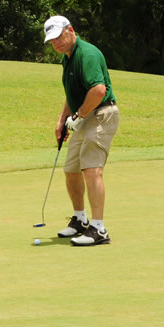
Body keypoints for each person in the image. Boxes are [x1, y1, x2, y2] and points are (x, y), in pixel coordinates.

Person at [44, 15, 119, 246]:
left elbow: (98, 90)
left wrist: (79, 117)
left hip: (101, 114)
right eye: (51, 41)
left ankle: (99, 229)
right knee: (71, 169)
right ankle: (80, 220)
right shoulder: (68, 58)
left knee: (91, 170)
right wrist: (63, 119)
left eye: (58, 37)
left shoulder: (87, 54)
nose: (56, 43)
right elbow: (73, 92)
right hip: (84, 115)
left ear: (70, 30)